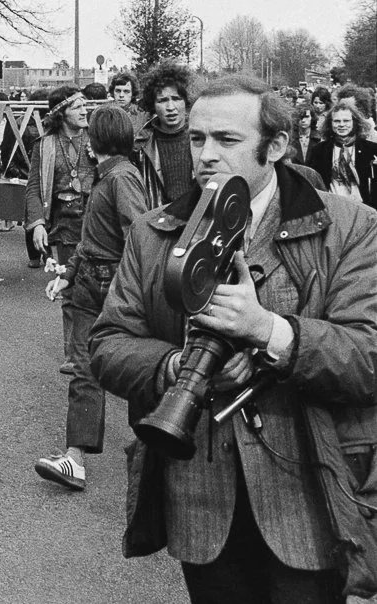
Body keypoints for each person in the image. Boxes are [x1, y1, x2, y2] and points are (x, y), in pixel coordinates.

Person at [91, 76, 377, 603]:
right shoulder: (153, 233)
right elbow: (108, 342)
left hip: (312, 493)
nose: (205, 155)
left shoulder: (352, 227)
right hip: (201, 498)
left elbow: (368, 356)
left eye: (226, 140)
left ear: (276, 147)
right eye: (198, 140)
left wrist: (269, 331)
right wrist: (175, 367)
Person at [33, 105, 147, 492]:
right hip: (90, 283)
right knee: (85, 370)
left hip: (112, 285)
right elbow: (91, 237)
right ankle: (75, 460)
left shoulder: (121, 178)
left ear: (95, 140)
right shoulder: (110, 175)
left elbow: (140, 236)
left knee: (131, 373)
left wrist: (125, 286)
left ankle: (152, 458)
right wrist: (67, 275)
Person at [25, 86, 94, 270]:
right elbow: (33, 188)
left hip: (96, 223)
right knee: (69, 287)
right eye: (77, 107)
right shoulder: (44, 145)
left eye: (84, 106)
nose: (84, 111)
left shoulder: (97, 137)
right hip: (63, 227)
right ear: (61, 114)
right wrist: (37, 224)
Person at [136, 62, 196, 209]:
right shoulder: (140, 147)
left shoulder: (202, 138)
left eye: (176, 99)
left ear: (186, 100)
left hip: (196, 221)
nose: (170, 108)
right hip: (159, 222)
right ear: (153, 104)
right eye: (162, 101)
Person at [305, 98, 377, 208]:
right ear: (330, 123)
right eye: (337, 121)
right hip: (332, 209)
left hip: (363, 210)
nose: (341, 124)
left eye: (346, 121)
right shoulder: (319, 150)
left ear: (354, 122)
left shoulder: (371, 150)